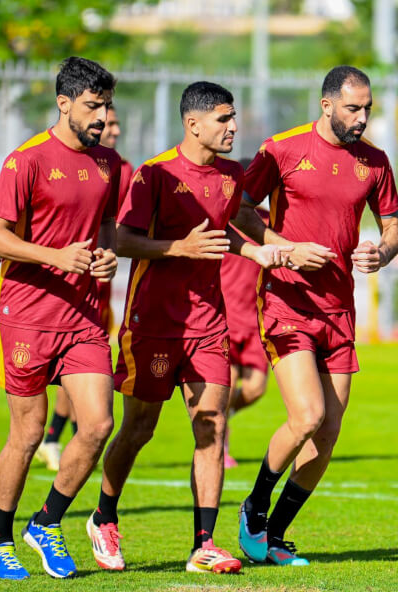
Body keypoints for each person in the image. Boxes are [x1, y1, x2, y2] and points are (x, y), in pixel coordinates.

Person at [86, 81, 290, 575]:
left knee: (212, 426)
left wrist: (258, 250)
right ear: (193, 123)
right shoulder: (154, 173)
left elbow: (225, 235)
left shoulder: (232, 174)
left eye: (233, 117)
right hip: (153, 322)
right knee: (139, 428)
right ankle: (103, 517)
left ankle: (204, 542)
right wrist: (179, 248)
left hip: (208, 322)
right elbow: (125, 240)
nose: (233, 127)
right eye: (223, 119)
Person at [234, 65, 398, 566]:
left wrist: (382, 252)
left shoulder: (375, 161)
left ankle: (276, 535)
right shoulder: (282, 149)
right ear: (327, 104)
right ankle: (255, 507)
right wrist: (286, 250)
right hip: (287, 300)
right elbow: (242, 212)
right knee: (306, 415)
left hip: (339, 308)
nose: (363, 117)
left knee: (328, 431)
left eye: (368, 108)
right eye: (354, 107)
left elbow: (393, 226)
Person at [0, 56, 122, 581]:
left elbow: (105, 226)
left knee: (98, 424)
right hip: (27, 315)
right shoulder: (27, 160)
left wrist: (105, 256)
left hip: (83, 315)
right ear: (64, 104)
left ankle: (47, 522)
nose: (103, 115)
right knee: (29, 432)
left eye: (107, 105)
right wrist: (55, 255)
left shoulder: (110, 162)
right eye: (93, 105)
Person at [34, 104, 133, 471]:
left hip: (97, 287)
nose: (113, 129)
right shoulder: (44, 158)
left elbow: (115, 224)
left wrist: (110, 251)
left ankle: (59, 437)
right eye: (109, 121)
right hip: (54, 293)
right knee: (65, 377)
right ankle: (56, 436)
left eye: (116, 121)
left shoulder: (120, 168)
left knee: (81, 371)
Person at [221, 189, 271, 469]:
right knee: (226, 386)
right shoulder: (223, 221)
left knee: (255, 389)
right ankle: (220, 441)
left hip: (255, 321)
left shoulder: (268, 222)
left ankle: (218, 416)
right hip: (225, 318)